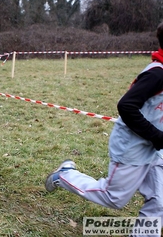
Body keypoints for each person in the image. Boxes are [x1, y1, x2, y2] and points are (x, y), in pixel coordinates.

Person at [45, 22, 163, 237]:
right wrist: (157, 136)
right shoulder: (157, 74)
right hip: (133, 146)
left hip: (155, 148)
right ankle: (65, 175)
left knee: (160, 200)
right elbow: (126, 106)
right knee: (114, 197)